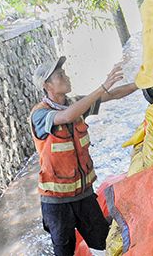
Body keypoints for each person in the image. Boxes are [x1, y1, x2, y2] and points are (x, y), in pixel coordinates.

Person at [29, 56, 138, 256]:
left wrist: (142, 83)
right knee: (64, 251)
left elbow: (112, 95)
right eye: (60, 75)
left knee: (105, 242)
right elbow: (66, 116)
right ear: (47, 85)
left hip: (84, 195)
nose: (66, 77)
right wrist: (102, 87)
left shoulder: (76, 104)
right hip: (56, 202)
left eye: (64, 73)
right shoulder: (40, 114)